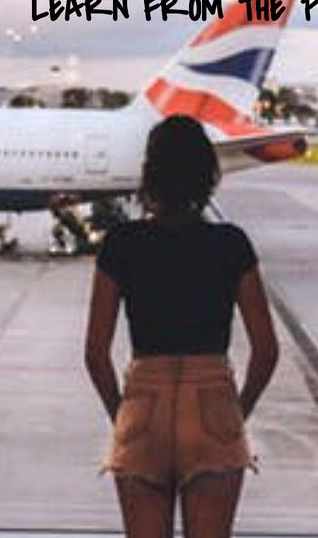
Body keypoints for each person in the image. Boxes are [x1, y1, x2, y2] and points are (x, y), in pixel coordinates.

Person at [84, 114, 279, 538]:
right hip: (213, 403)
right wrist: (234, 414)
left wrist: (123, 416)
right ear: (207, 175)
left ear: (149, 174)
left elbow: (96, 354)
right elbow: (266, 351)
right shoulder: (231, 244)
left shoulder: (122, 244)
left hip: (143, 404)